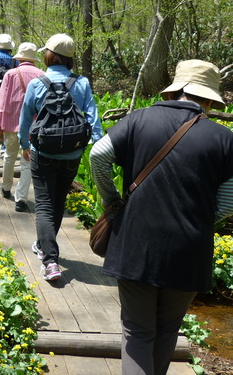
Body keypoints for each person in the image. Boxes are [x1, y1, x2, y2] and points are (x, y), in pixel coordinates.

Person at [89, 59, 233, 375]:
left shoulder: (139, 119)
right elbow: (230, 195)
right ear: (208, 99)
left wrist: (112, 200)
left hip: (136, 244)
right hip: (189, 249)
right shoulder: (224, 139)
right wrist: (204, 218)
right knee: (167, 331)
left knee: (138, 332)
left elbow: (98, 154)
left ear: (175, 90)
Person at [19, 33, 103, 281]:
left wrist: (25, 144)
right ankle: (45, 246)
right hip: (72, 153)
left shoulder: (37, 83)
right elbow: (93, 118)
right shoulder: (82, 83)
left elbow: (25, 120)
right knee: (57, 201)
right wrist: (97, 145)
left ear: (49, 55)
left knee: (44, 204)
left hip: (42, 151)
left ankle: (50, 260)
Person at [0, 42, 44, 212]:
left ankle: (6, 188)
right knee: (27, 162)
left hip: (10, 123)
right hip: (33, 126)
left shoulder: (10, 74)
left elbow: (2, 101)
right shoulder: (42, 75)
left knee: (9, 156)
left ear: (20, 57)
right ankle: (21, 199)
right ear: (34, 59)